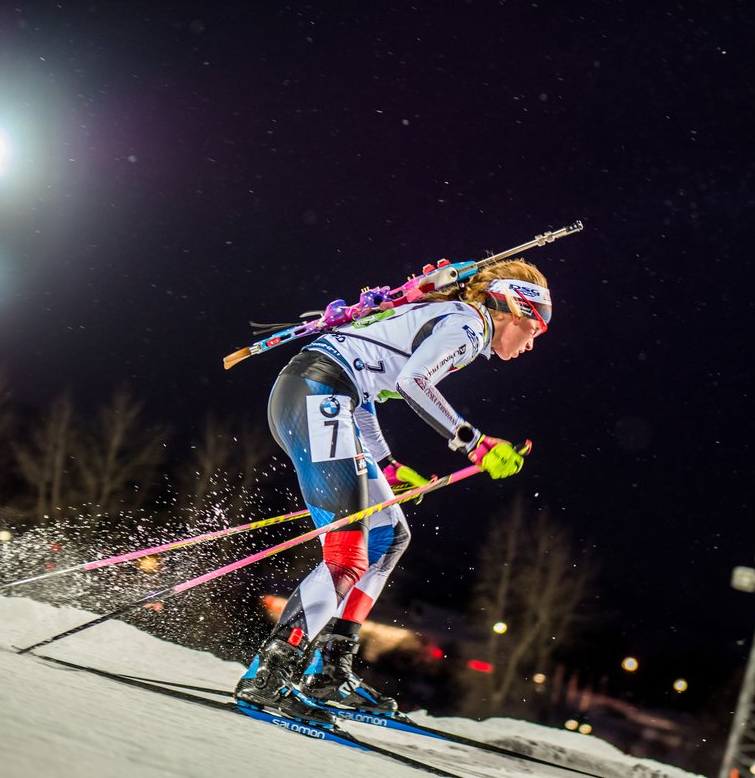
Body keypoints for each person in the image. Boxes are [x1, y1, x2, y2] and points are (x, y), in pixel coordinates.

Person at [234, 257, 552, 723]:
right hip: (317, 395)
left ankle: (327, 671)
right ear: (513, 309)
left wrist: (388, 464)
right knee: (347, 556)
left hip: (323, 395)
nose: (531, 344)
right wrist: (475, 444)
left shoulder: (456, 322)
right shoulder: (467, 325)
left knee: (387, 536)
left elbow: (363, 389)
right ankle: (270, 675)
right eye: (535, 330)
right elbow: (412, 383)